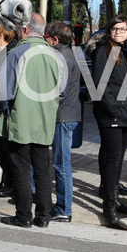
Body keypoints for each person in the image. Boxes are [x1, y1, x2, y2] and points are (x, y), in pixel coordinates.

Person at [0, 13, 62, 228]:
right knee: (43, 172)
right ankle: (43, 217)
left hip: (20, 122)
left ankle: (23, 216)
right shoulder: (56, 56)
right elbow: (61, 92)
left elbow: (3, 93)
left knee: (21, 171)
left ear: (25, 30)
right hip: (45, 122)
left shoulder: (16, 53)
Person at [91, 14, 127, 227]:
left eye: (122, 29)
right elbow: (100, 85)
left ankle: (110, 192)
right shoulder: (104, 50)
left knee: (117, 156)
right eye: (114, 29)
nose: (118, 32)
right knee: (113, 158)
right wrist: (114, 109)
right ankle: (109, 205)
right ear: (109, 31)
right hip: (112, 113)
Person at [44, 21, 82, 222]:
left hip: (62, 117)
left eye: (46, 37)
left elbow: (58, 90)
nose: (44, 40)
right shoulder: (67, 53)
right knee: (61, 162)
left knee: (61, 163)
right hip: (67, 115)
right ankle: (63, 206)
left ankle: (64, 208)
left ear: (55, 39)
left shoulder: (60, 56)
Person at [0, 26, 17, 198]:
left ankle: (9, 182)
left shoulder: (12, 52)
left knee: (6, 147)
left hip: (6, 107)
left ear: (0, 36)